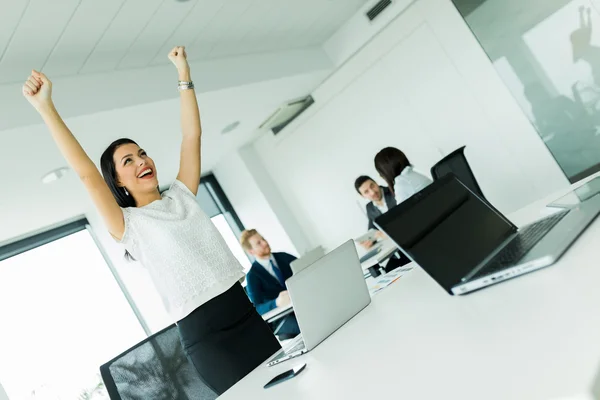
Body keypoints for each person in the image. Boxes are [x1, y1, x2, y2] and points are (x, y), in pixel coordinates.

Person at [22, 46, 280, 395]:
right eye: (127, 161)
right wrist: (45, 107)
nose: (141, 160)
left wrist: (183, 74)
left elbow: (192, 136)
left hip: (246, 314)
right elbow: (87, 175)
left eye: (141, 153)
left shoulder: (181, 195)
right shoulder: (129, 225)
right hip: (210, 342)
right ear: (119, 182)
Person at [240, 230, 301, 337]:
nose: (264, 243)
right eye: (258, 243)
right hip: (282, 318)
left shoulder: (284, 257)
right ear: (251, 251)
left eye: (263, 239)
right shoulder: (252, 276)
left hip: (300, 304)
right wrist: (276, 302)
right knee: (303, 323)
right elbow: (257, 309)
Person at [354, 175, 396, 249]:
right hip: (393, 246)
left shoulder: (393, 190)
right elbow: (372, 230)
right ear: (362, 196)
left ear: (376, 183)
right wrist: (369, 241)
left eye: (372, 186)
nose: (372, 192)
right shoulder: (369, 207)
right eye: (366, 192)